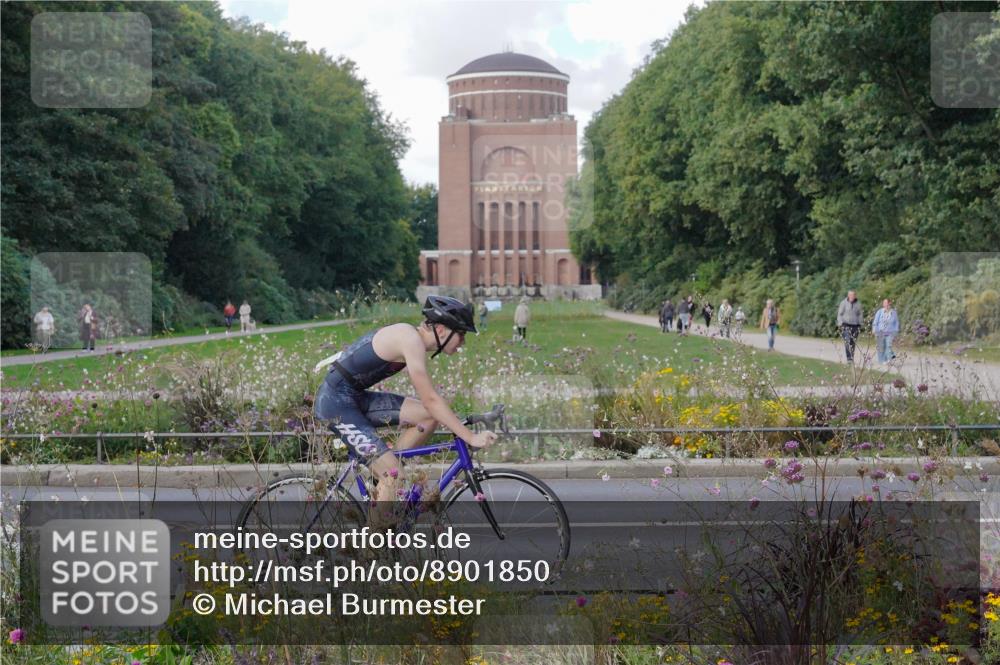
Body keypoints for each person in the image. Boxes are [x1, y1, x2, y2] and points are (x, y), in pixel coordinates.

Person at [312, 295, 496, 522]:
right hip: (335, 404)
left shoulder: (412, 339)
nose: (463, 342)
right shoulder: (409, 339)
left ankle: (384, 481)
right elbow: (430, 398)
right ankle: (370, 552)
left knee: (427, 419)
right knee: (395, 474)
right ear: (440, 329)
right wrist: (470, 436)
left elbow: (432, 409)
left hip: (354, 398)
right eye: (461, 334)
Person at [836, 290, 864, 362]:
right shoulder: (843, 303)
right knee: (847, 341)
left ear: (855, 296)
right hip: (846, 325)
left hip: (855, 325)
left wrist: (860, 324)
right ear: (848, 295)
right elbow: (840, 314)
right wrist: (840, 323)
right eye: (850, 295)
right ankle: (849, 358)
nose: (852, 296)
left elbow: (860, 314)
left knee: (853, 342)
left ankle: (851, 357)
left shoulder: (858, 304)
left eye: (853, 295)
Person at [872, 298, 899, 364]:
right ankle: (882, 360)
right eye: (884, 303)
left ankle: (888, 359)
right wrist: (874, 329)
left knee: (888, 346)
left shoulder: (893, 312)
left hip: (890, 332)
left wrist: (896, 331)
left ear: (890, 304)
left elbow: (896, 322)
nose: (885, 304)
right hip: (880, 332)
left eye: (886, 303)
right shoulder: (880, 312)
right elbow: (875, 321)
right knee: (881, 346)